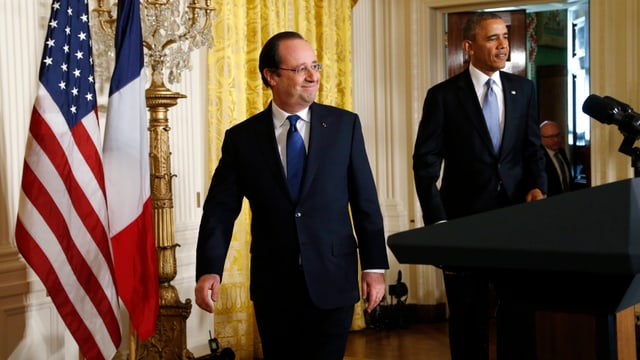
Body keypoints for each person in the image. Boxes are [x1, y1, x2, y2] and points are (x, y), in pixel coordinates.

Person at [194, 31, 389, 360]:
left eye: (315, 65)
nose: (313, 76)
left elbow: (365, 201)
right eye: (300, 69)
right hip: (275, 284)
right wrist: (209, 269)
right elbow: (220, 210)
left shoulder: (345, 126)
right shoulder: (243, 139)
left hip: (333, 276)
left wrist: (374, 266)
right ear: (271, 76)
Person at [412, 12, 547, 360]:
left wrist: (537, 188)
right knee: (468, 318)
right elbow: (425, 163)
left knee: (518, 314)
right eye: (493, 38)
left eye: (505, 37)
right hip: (462, 224)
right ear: (468, 46)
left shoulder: (524, 89)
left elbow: (533, 150)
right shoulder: (442, 96)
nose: (503, 44)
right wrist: (438, 223)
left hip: (516, 221)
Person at [540, 120, 574, 196]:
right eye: (551, 137)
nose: (556, 139)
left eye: (558, 135)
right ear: (541, 139)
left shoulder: (562, 152)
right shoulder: (537, 158)